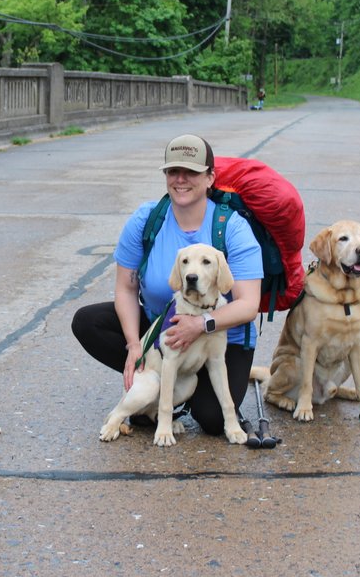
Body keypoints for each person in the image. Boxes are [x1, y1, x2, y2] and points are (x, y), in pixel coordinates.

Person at [71, 134, 263, 435]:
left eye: (192, 172)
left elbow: (249, 304)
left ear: (210, 177)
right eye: (173, 171)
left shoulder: (233, 228)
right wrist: (135, 345)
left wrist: (200, 325)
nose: (181, 180)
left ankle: (180, 398)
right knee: (87, 321)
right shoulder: (146, 220)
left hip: (223, 337)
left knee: (212, 421)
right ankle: (150, 389)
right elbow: (126, 288)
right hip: (164, 329)